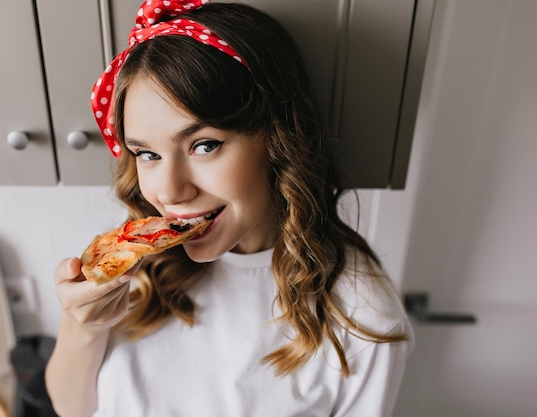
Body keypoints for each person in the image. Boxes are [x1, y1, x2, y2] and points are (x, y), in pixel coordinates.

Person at [45, 1, 414, 416]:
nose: (169, 192)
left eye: (203, 146)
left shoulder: (364, 319)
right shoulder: (134, 261)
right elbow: (70, 407)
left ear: (279, 139)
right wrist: (81, 325)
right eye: (146, 154)